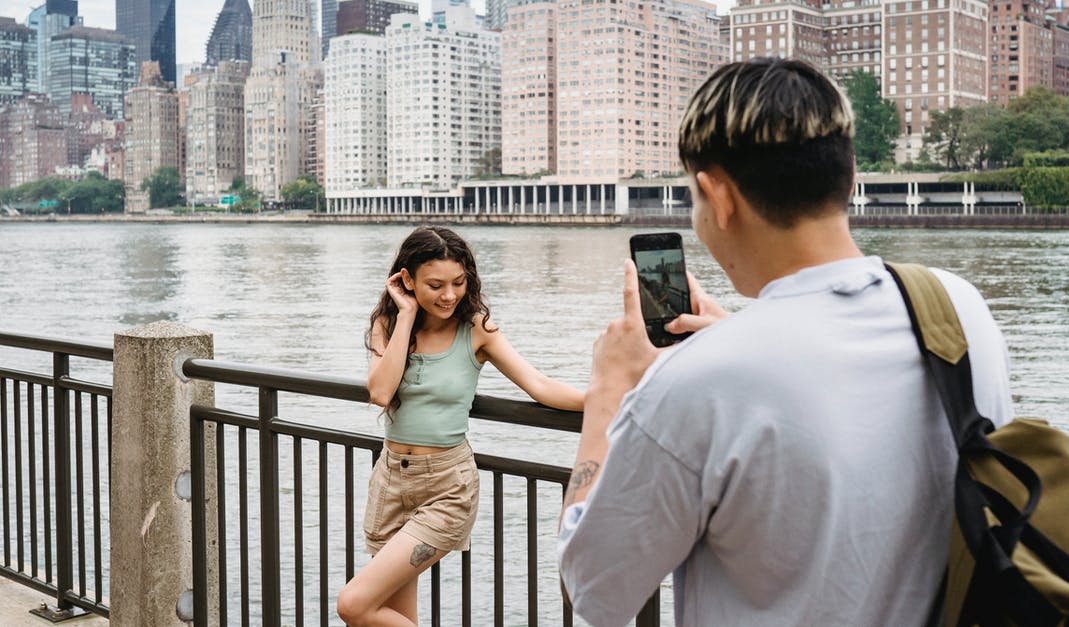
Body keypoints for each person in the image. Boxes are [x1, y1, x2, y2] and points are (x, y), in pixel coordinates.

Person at [556, 58, 1015, 626]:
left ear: (718, 197)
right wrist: (738, 338)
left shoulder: (700, 379)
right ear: (849, 179)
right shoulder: (957, 308)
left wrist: (608, 393)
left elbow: (594, 592)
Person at [338, 225, 584, 626]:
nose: (449, 295)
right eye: (435, 284)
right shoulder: (390, 321)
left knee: (354, 604)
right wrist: (406, 315)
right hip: (390, 484)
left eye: (457, 282)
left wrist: (608, 398)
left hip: (446, 487)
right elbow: (381, 392)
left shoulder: (476, 330)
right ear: (407, 280)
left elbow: (539, 385)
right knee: (395, 617)